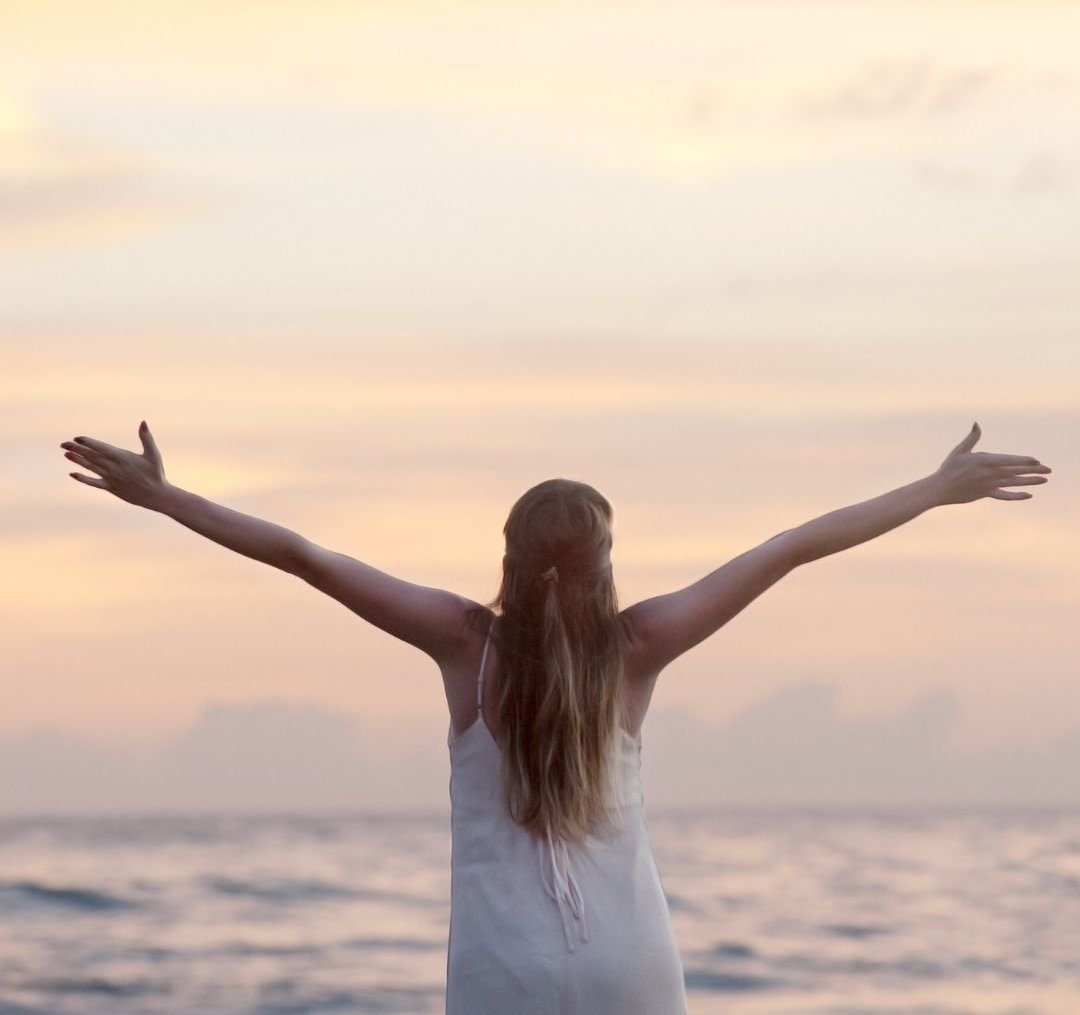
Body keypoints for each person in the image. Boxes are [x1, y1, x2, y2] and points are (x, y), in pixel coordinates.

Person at [59, 420, 1051, 1013]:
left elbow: (305, 556)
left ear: (509, 550)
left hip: (504, 968)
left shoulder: (462, 643)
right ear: (606, 561)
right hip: (630, 960)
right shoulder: (642, 643)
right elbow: (792, 545)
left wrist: (166, 498)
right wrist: (934, 490)